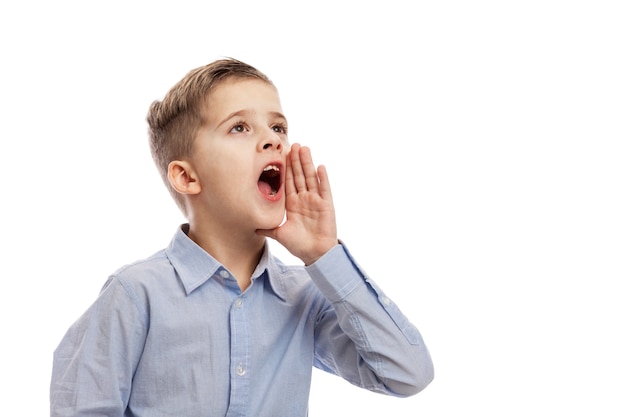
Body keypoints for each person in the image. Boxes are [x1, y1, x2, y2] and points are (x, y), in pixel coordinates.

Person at [50, 57, 434, 416]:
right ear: (187, 176)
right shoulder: (135, 294)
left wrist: (324, 254)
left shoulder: (304, 297)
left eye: (278, 127)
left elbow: (407, 374)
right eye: (239, 127)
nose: (273, 141)